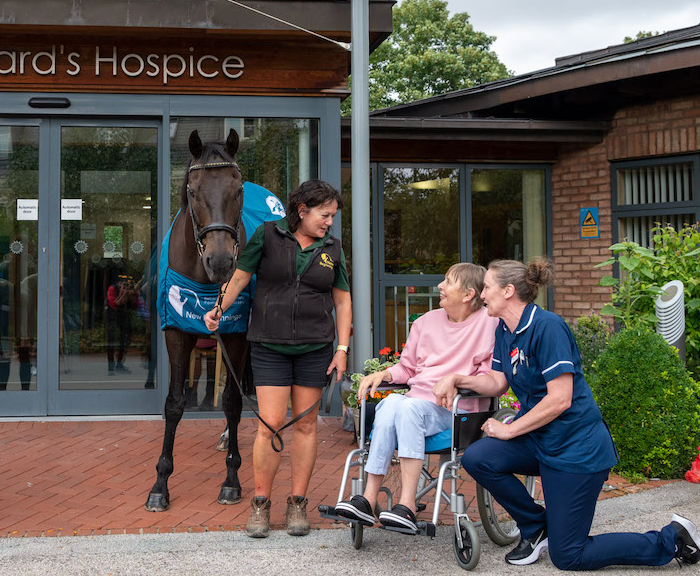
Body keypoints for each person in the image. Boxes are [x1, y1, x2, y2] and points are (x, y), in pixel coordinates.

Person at [433, 258, 700, 570]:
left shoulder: (548, 328)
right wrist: (456, 379)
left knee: (569, 555)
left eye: (488, 288)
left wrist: (510, 429)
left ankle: (672, 539)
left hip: (576, 449)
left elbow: (560, 400)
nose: (482, 294)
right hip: (541, 440)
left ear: (508, 291)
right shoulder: (504, 329)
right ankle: (536, 527)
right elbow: (497, 382)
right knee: (478, 458)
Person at [203, 179, 350, 539]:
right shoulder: (268, 235)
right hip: (269, 345)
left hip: (315, 347)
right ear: (302, 211)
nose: (329, 222)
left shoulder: (333, 247)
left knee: (305, 425)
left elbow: (343, 300)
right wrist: (218, 308)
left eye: (332, 216)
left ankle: (297, 502)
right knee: (269, 423)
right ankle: (261, 503)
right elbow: (239, 278)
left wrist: (342, 349)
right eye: (324, 214)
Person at [333, 262, 496, 532]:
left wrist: (458, 381)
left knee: (405, 407)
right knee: (392, 402)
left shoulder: (489, 324)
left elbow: (491, 377)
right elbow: (407, 368)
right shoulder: (425, 322)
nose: (439, 286)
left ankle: (407, 504)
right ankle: (368, 500)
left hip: (455, 411)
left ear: (468, 294)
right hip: (416, 406)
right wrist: (383, 375)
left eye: (448, 282)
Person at [106, 272, 136, 374]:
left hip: (124, 317)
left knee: (125, 340)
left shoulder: (128, 291)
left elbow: (134, 305)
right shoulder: (112, 289)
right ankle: (110, 366)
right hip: (113, 318)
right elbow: (114, 304)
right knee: (111, 341)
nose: (123, 285)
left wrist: (132, 293)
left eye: (125, 283)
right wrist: (122, 293)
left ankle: (119, 363)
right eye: (122, 283)